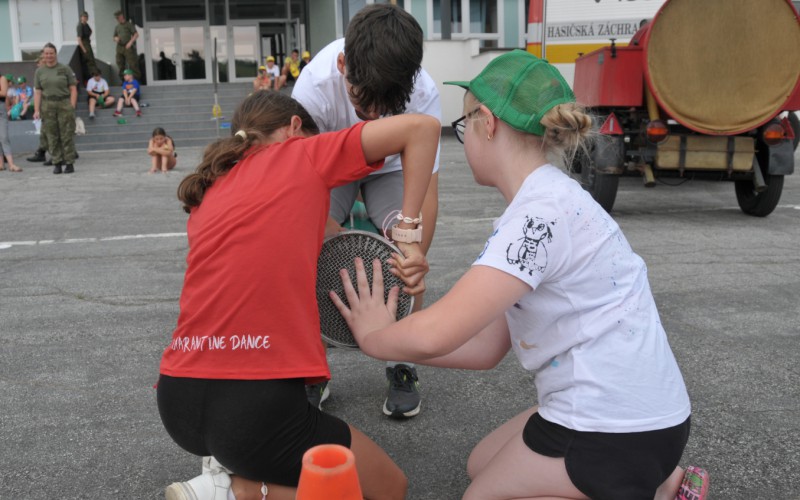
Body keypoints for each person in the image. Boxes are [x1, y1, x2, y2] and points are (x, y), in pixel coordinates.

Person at [330, 50, 710, 500]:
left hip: (609, 427)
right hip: (653, 417)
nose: (463, 138)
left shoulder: (535, 218)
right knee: (480, 464)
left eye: (462, 125)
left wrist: (377, 338)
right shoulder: (557, 199)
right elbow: (485, 347)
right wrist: (389, 336)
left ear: (486, 123)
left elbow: (438, 332)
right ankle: (659, 479)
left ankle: (653, 492)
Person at [157, 90, 436, 500]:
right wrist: (409, 238)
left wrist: (393, 267)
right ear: (292, 128)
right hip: (251, 404)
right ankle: (239, 490)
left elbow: (334, 246)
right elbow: (422, 128)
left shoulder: (211, 191)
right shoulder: (300, 154)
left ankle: (230, 470)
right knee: (387, 488)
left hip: (178, 397)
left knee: (284, 467)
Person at [292, 2, 441, 419]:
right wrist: (323, 229)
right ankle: (312, 369)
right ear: (342, 65)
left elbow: (426, 186)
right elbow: (297, 180)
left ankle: (402, 362)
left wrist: (413, 245)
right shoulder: (313, 87)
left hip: (391, 168)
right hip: (329, 168)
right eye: (361, 99)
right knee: (304, 254)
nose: (373, 114)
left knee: (407, 259)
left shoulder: (422, 92)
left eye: (385, 106)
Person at [33, 42, 78, 175]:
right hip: (47, 105)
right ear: (43, 55)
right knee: (51, 135)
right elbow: (38, 92)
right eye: (46, 53)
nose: (49, 56)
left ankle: (69, 163)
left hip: (64, 103)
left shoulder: (65, 69)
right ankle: (57, 163)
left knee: (67, 134)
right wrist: (36, 110)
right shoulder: (39, 71)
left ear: (55, 54)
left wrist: (72, 105)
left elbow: (73, 89)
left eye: (51, 53)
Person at [0, 74, 23, 172]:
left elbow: (4, 93)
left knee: (4, 137)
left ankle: (11, 164)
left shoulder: (2, 78)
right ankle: (1, 164)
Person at [113, 10, 140, 81]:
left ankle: (136, 80)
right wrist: (116, 38)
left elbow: (136, 34)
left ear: (121, 16)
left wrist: (130, 42)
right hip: (119, 47)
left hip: (127, 46)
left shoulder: (129, 24)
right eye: (116, 18)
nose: (117, 19)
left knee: (132, 64)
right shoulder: (117, 27)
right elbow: (114, 37)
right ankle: (123, 81)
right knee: (120, 64)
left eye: (118, 18)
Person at [77, 11, 98, 78]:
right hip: (84, 44)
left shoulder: (86, 25)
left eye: (86, 17)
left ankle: (95, 75)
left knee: (92, 60)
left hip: (88, 43)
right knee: (89, 61)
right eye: (84, 17)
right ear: (81, 17)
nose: (85, 18)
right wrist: (83, 49)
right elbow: (79, 39)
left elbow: (90, 31)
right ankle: (94, 76)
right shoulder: (80, 26)